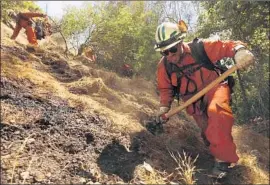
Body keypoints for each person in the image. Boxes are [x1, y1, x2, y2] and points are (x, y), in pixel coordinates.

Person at [154, 21, 255, 178]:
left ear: (180, 42)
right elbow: (165, 89)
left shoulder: (200, 48)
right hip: (193, 102)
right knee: (207, 133)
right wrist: (164, 108)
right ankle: (215, 150)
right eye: (164, 52)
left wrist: (240, 51)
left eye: (172, 49)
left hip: (215, 88)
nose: (170, 56)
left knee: (217, 113)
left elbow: (228, 46)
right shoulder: (164, 66)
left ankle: (223, 161)